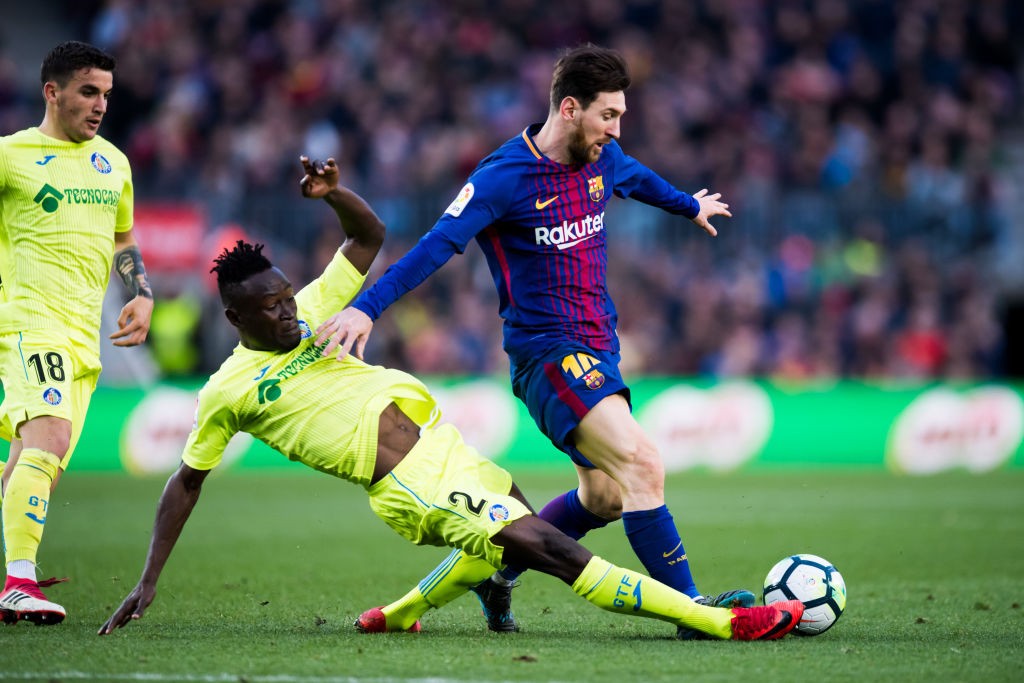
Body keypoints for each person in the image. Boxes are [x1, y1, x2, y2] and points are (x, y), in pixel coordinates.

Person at [98, 156, 802, 641]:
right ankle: (712, 619)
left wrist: (334, 193)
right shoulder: (228, 390)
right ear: (236, 319)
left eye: (286, 297)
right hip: (409, 484)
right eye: (271, 307)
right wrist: (150, 577)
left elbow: (367, 236)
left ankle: (402, 612)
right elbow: (186, 481)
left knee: (525, 526)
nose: (288, 313)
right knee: (549, 546)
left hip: (447, 446)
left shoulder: (313, 307)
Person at [313, 44, 749, 636]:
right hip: (546, 353)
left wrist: (687, 204)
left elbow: (639, 179)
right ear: (570, 108)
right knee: (643, 464)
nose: (616, 130)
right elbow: (437, 245)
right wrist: (366, 308)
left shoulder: (606, 159)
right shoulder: (503, 178)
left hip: (599, 348)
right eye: (608, 116)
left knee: (604, 498)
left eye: (621, 116)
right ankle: (693, 612)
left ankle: (497, 580)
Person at [0, 40, 153, 626]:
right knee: (51, 440)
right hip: (28, 322)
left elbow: (122, 238)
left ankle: (13, 574)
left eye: (107, 95)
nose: (100, 106)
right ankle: (19, 583)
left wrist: (140, 291)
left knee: (32, 461)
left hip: (80, 336)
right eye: (89, 92)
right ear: (52, 92)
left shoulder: (112, 163)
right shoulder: (13, 156)